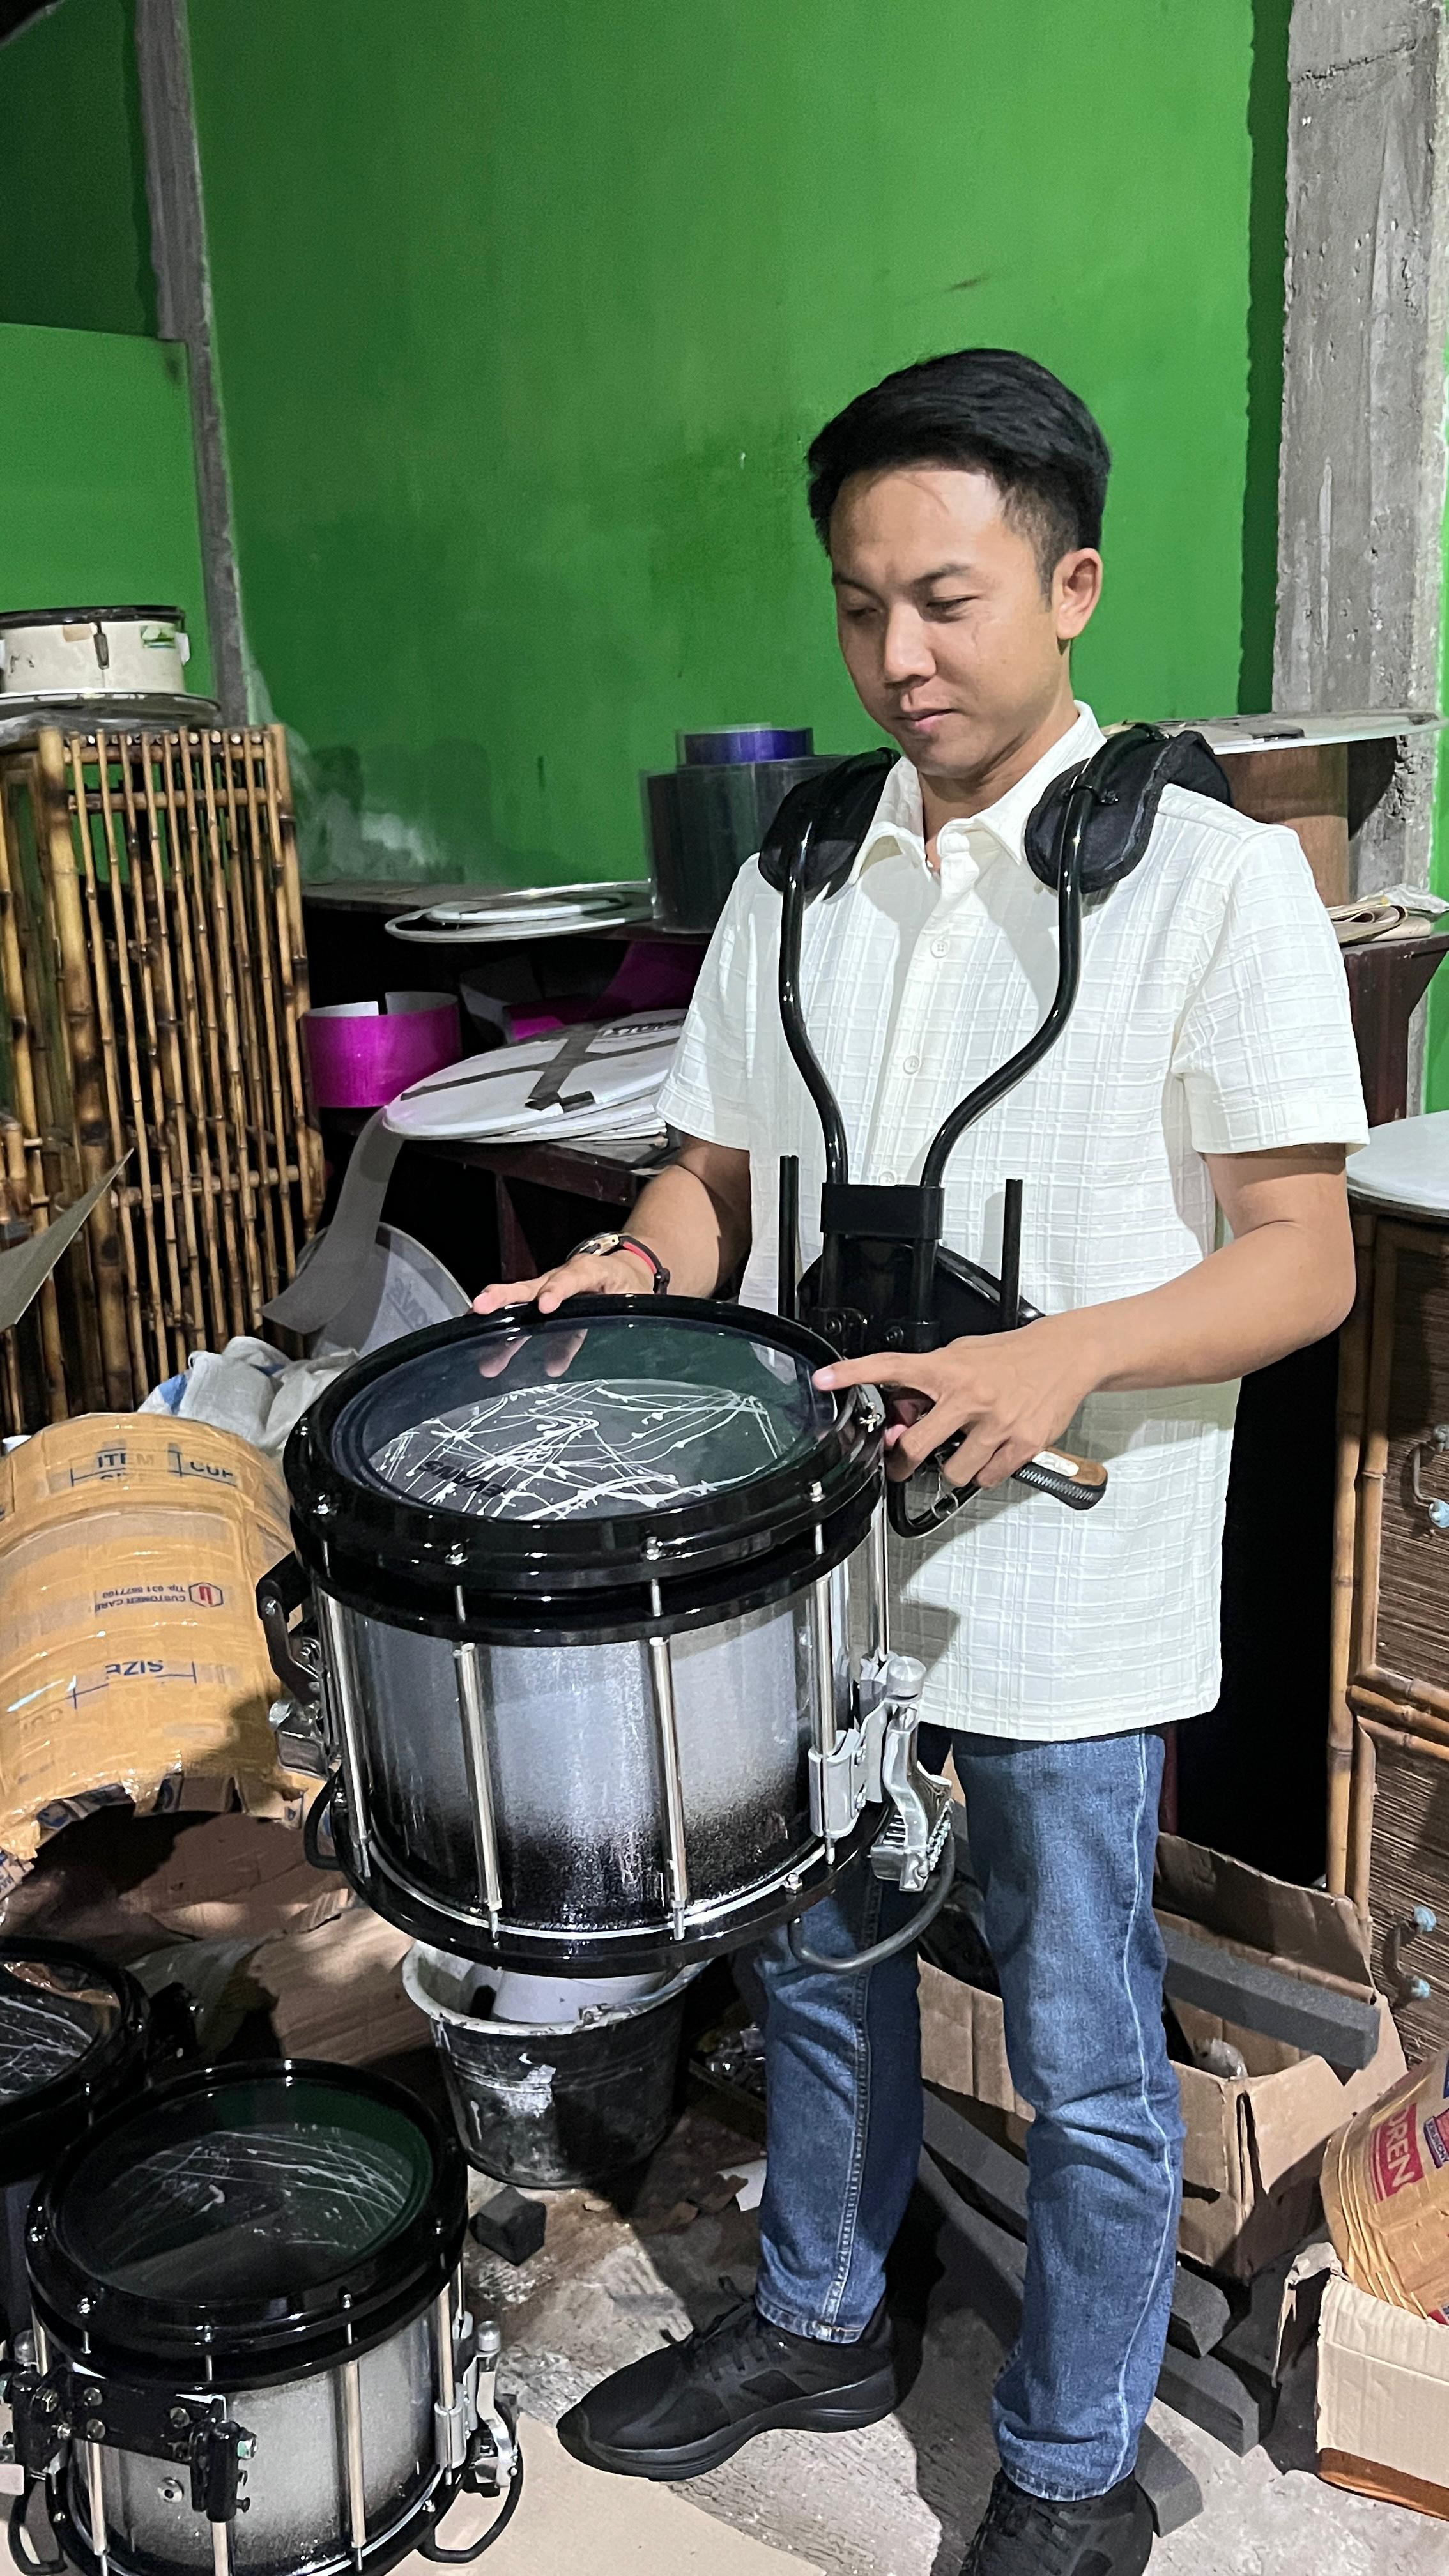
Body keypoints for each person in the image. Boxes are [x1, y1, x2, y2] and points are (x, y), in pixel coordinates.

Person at [474, 348, 1368, 2575]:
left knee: (1077, 2047)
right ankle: (818, 2322)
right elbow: (711, 1175)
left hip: (1067, 1586)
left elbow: (1301, 1261)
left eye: (948, 600)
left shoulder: (1209, 881)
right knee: (819, 1976)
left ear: (1068, 586)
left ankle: (1070, 2469)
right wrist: (619, 1262)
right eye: (863, 606)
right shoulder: (795, 872)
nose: (899, 657)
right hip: (824, 1575)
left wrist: (1062, 1357)